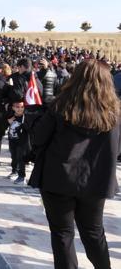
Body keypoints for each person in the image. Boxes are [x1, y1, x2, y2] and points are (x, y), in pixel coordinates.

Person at [30, 59, 120, 269]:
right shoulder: (115, 113)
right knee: (94, 232)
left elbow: (38, 138)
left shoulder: (60, 106)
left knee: (63, 234)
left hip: (59, 178)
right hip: (96, 180)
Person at [4, 100, 33, 185]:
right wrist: (8, 122)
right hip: (12, 140)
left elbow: (29, 129)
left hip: (22, 141)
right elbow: (4, 126)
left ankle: (21, 176)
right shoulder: (11, 117)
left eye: (22, 107)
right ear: (13, 108)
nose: (20, 109)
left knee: (21, 158)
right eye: (17, 107)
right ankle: (14, 171)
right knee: (14, 156)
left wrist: (24, 125)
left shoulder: (25, 118)